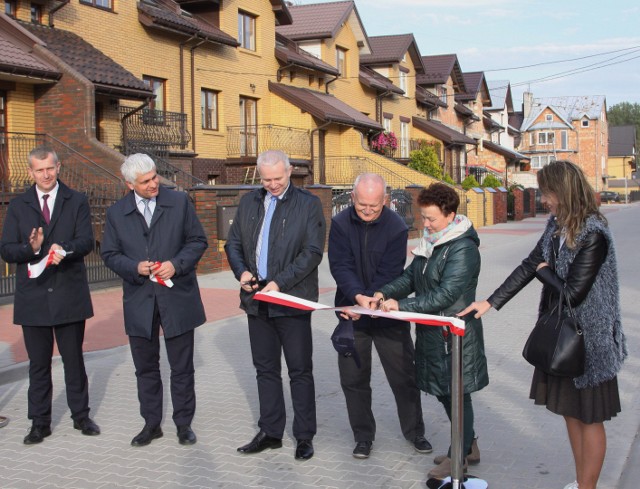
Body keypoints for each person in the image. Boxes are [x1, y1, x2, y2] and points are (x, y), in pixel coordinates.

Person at [459, 160, 626, 489]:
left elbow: (574, 294)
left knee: (590, 417)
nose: (543, 199)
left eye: (547, 192)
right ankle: (581, 482)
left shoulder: (594, 234)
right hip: (562, 336)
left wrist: (544, 271)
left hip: (589, 341)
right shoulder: (557, 224)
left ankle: (588, 487)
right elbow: (529, 264)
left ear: (563, 192)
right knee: (571, 413)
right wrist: (490, 302)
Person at [372, 182, 488, 480]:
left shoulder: (462, 248)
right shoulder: (431, 242)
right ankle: (469, 444)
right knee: (444, 392)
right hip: (432, 331)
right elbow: (410, 277)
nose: (425, 224)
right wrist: (383, 293)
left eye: (431, 218)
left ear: (450, 215)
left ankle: (459, 456)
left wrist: (402, 306)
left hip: (454, 335)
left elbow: (446, 295)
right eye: (423, 217)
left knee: (456, 393)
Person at [224, 149, 326, 461]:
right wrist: (241, 272)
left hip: (291, 300)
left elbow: (311, 252)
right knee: (265, 369)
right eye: (266, 180)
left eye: (278, 178)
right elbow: (234, 243)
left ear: (290, 171)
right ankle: (270, 431)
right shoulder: (249, 201)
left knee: (299, 370)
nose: (272, 184)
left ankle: (304, 436)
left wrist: (278, 282)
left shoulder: (308, 204)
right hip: (257, 301)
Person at [101, 153, 207, 447]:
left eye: (154, 176)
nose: (154, 183)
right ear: (129, 184)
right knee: (145, 367)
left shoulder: (179, 203)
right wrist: (134, 267)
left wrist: (177, 263)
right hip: (140, 300)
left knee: (182, 366)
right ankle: (151, 423)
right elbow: (109, 254)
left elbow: (198, 241)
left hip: (177, 297)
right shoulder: (117, 213)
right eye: (146, 181)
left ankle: (183, 424)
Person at [0, 145, 100, 444]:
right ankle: (39, 422)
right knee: (38, 364)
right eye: (39, 170)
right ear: (31, 172)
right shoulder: (19, 206)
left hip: (69, 292)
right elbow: (6, 250)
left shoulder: (77, 200)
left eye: (50, 168)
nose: (45, 174)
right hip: (34, 297)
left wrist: (64, 249)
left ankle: (81, 416)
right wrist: (30, 249)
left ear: (59, 168)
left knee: (74, 360)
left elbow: (86, 241)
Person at [327, 173, 431, 459]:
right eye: (362, 206)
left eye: (374, 206)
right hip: (351, 312)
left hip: (387, 313)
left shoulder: (396, 226)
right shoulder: (339, 224)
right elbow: (340, 266)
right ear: (352, 198)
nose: (368, 211)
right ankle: (363, 437)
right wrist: (357, 299)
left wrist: (372, 299)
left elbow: (391, 270)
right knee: (353, 379)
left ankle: (415, 432)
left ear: (385, 200)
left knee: (404, 377)